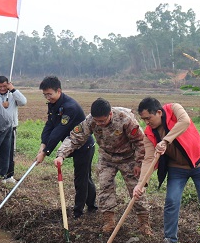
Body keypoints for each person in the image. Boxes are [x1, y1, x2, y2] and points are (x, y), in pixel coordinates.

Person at [55, 98, 150, 235]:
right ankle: (109, 221)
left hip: (128, 158)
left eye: (102, 121)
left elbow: (141, 142)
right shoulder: (90, 120)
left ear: (110, 114)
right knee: (105, 188)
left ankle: (144, 223)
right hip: (107, 158)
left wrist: (139, 163)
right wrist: (61, 154)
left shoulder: (126, 119)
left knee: (136, 190)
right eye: (97, 121)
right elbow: (76, 137)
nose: (99, 124)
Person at [133, 97, 200, 243]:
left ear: (159, 112)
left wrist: (165, 141)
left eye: (148, 118)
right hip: (177, 169)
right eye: (143, 119)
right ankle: (170, 240)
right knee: (171, 201)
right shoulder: (149, 134)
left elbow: (185, 122)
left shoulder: (174, 109)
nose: (147, 122)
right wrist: (141, 184)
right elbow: (148, 159)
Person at [36, 76, 97, 218]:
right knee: (85, 178)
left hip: (84, 146)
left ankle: (78, 213)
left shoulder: (70, 107)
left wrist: (46, 152)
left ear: (59, 91)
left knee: (81, 178)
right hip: (71, 145)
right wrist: (43, 144)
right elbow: (50, 125)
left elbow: (59, 131)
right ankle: (92, 207)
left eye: (49, 94)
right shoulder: (53, 104)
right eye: (45, 95)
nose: (47, 97)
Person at [0, 75, 26, 183]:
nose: (2, 89)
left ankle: (9, 175)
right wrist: (1, 106)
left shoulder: (13, 95)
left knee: (9, 152)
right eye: (0, 86)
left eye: (5, 86)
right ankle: (0, 173)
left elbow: (23, 102)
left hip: (11, 128)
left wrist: (13, 90)